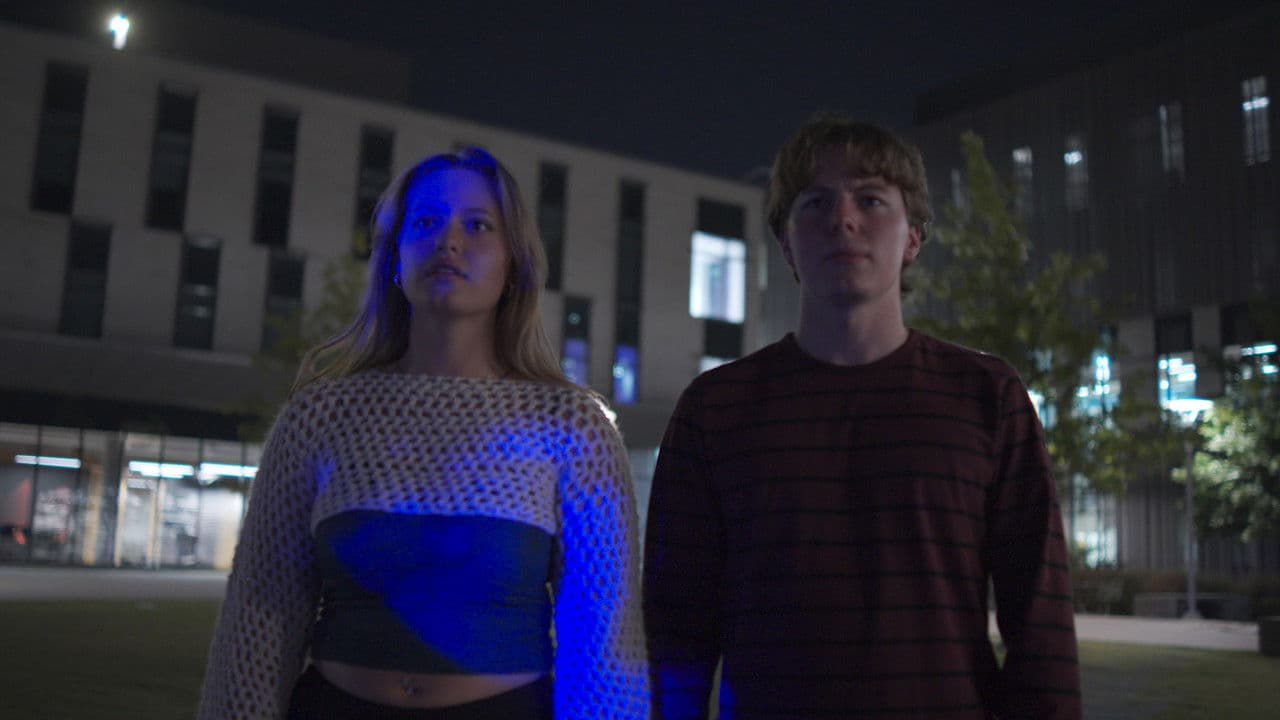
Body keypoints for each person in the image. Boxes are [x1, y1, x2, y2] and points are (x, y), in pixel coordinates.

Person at [643, 115, 1080, 719]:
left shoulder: (989, 397)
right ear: (786, 243)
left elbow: (1040, 622)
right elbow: (676, 626)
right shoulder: (715, 409)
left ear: (913, 237)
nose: (842, 219)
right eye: (816, 201)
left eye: (870, 199)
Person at [197, 147, 649, 720]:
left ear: (514, 263)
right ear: (394, 255)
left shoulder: (572, 426)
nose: (449, 241)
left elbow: (604, 643)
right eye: (426, 221)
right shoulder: (320, 418)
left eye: (478, 225)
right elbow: (261, 612)